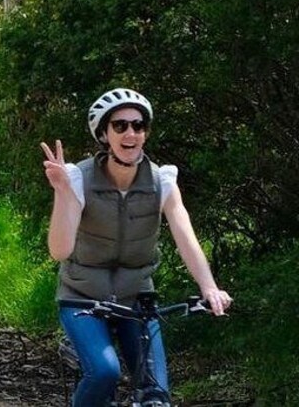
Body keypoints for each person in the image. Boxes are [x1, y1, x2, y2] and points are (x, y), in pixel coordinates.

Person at [40, 87, 232, 406]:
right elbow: (59, 250)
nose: (131, 133)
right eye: (120, 126)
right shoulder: (77, 178)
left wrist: (210, 288)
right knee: (103, 373)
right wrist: (62, 191)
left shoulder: (162, 182)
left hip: (136, 298)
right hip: (82, 298)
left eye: (138, 125)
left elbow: (186, 237)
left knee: (156, 394)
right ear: (104, 134)